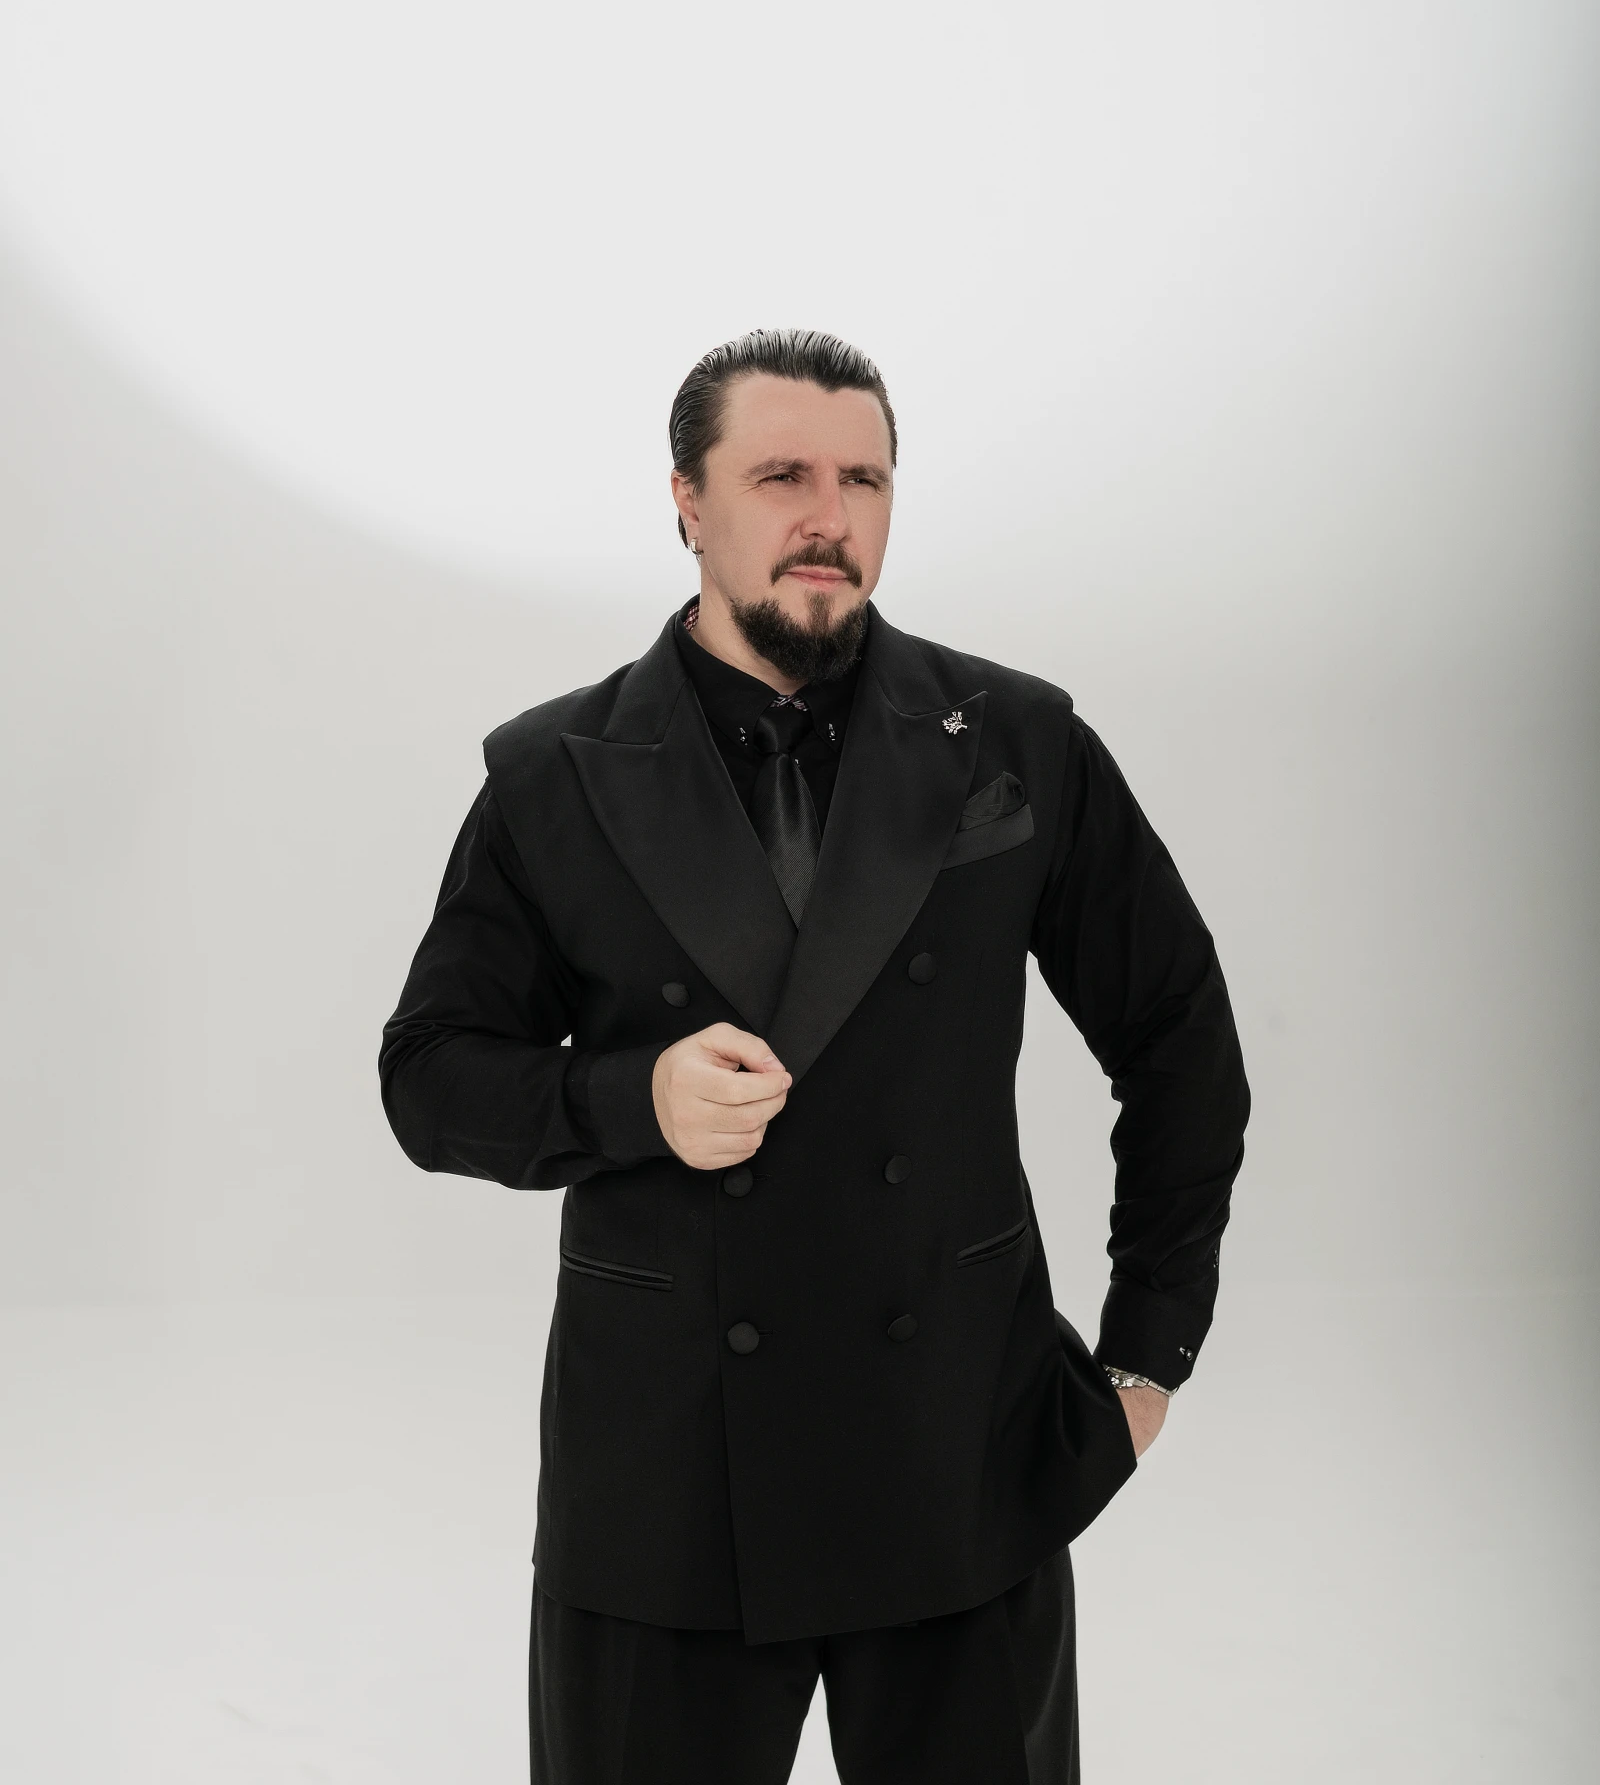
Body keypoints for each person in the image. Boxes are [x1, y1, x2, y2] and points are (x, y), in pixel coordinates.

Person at [379, 327, 1250, 1784]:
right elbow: (429, 1077)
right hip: (663, 1483)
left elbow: (1181, 1039)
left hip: (960, 1456)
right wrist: (632, 1098)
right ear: (686, 501)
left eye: (865, 480)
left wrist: (1145, 1358)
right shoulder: (553, 774)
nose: (829, 517)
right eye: (781, 475)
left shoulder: (1017, 740)